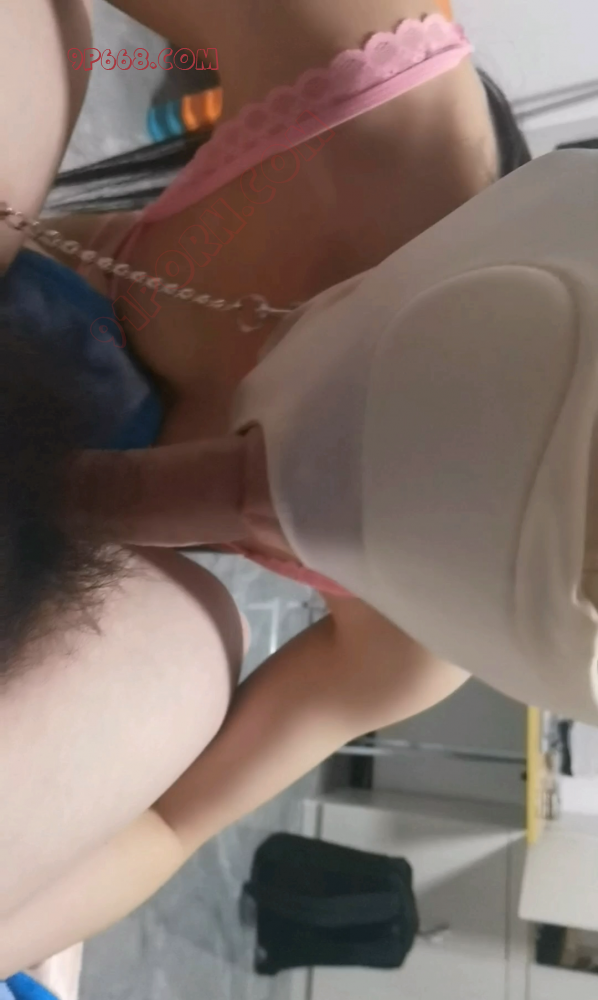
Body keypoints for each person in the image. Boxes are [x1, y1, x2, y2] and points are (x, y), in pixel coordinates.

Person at [0, 0, 536, 978]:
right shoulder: (376, 89)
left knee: (188, 661)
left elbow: (171, 823)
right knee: (39, 54)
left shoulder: (426, 636)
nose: (254, 509)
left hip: (30, 564)